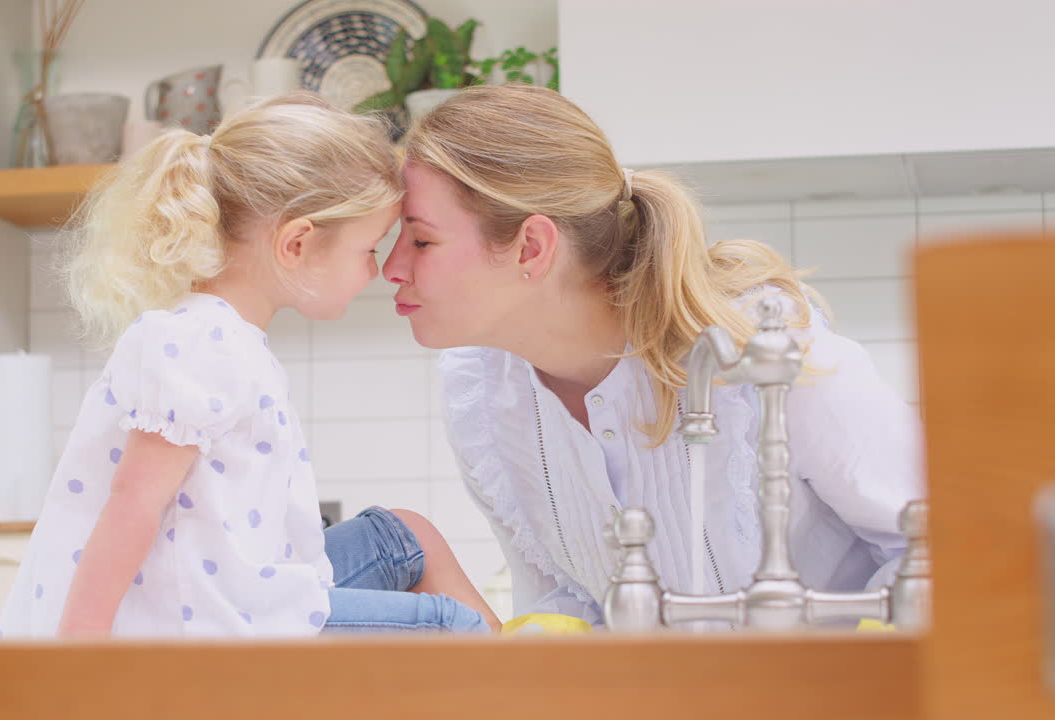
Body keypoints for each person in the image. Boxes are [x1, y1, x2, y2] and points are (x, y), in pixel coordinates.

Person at [381, 85, 923, 625]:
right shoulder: (480, 394)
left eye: (422, 241)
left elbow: (941, 553)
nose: (391, 268)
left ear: (531, 248)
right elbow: (563, 605)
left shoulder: (758, 350)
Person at [0, 93, 497, 638]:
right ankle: (540, 674)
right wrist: (82, 645)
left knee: (404, 534)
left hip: (238, 594)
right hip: (206, 628)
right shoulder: (203, 342)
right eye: (369, 249)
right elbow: (133, 503)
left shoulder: (223, 335)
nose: (376, 271)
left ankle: (530, 650)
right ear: (297, 243)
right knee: (454, 629)